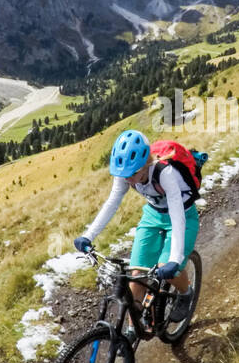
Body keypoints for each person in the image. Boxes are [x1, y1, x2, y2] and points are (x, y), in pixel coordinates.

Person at [73, 130, 197, 322]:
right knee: (136, 274)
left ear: (145, 164)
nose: (127, 180)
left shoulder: (165, 173)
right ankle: (132, 332)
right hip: (153, 215)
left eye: (133, 174)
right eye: (123, 175)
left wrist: (174, 259)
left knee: (169, 268)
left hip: (183, 216)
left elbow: (177, 215)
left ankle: (186, 292)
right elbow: (112, 203)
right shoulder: (124, 174)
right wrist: (88, 236)